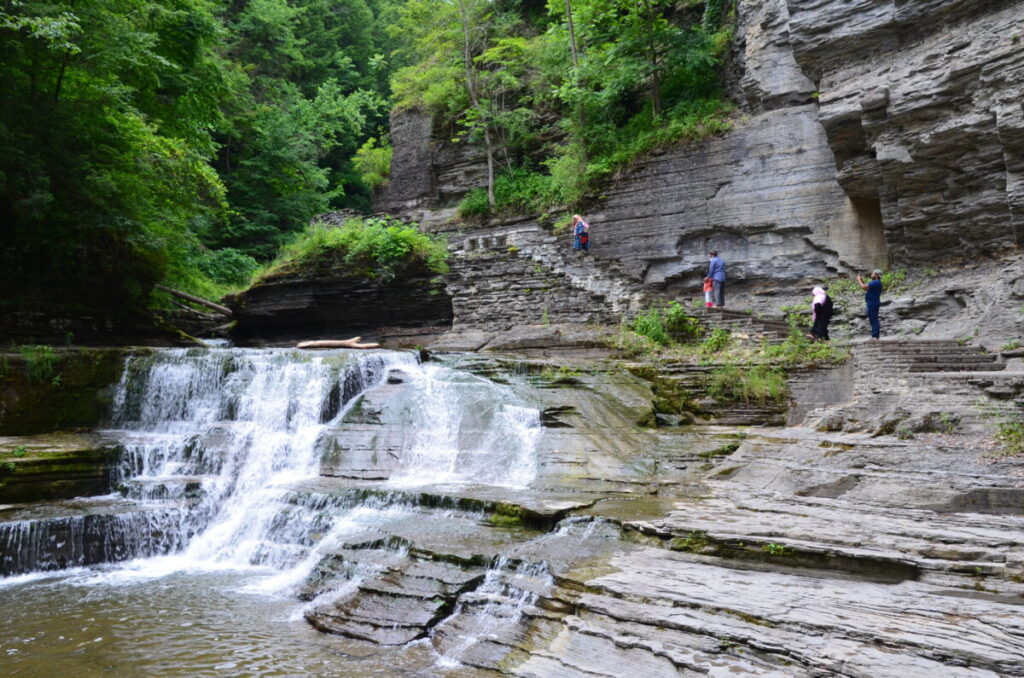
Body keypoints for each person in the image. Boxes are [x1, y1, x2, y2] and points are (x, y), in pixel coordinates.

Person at [856, 269, 883, 340]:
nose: (871, 274)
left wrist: (859, 279)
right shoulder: (876, 282)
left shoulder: (876, 282)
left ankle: (875, 336)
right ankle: (875, 336)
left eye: (873, 273)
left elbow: (863, 287)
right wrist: (862, 281)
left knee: (874, 319)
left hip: (872, 303)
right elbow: (866, 288)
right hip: (873, 302)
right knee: (872, 319)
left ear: (876, 275)